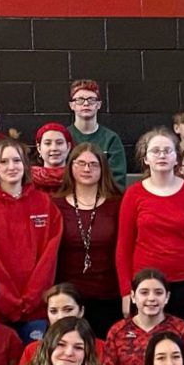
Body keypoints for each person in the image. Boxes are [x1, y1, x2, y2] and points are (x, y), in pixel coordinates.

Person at [0, 139, 61, 332]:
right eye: (4, 162)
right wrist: (5, 299)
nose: (11, 167)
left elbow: (48, 260)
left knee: (33, 361)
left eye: (16, 161)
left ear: (25, 165)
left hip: (34, 309)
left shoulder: (44, 203)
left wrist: (31, 298)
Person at [117, 130, 184, 321]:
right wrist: (126, 292)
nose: (161, 155)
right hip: (145, 285)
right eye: (155, 151)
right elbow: (123, 248)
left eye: (167, 150)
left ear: (177, 158)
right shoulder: (133, 194)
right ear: (145, 158)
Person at [52, 141, 124, 339]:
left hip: (108, 295)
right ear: (70, 166)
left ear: (103, 169)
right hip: (68, 298)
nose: (86, 168)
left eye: (93, 164)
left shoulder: (117, 203)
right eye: (80, 163)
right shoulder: (55, 204)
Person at [106, 271, 184, 365]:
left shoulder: (181, 328)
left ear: (167, 297)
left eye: (158, 293)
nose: (151, 298)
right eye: (144, 293)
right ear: (133, 297)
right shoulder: (117, 331)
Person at [48, 79, 128, 179]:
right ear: (72, 105)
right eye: (80, 100)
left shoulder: (111, 139)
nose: (86, 104)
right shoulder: (63, 137)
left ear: (98, 105)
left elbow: (117, 179)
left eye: (91, 99)